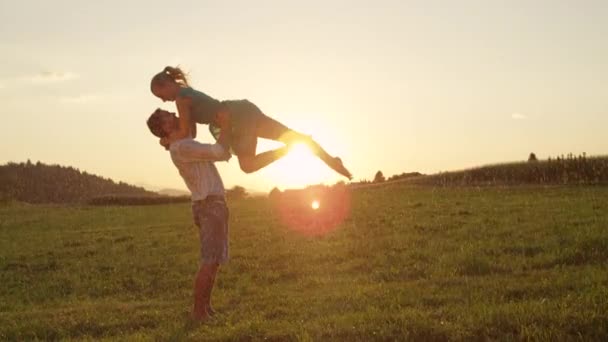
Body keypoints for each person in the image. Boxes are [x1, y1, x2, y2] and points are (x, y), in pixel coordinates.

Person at [150, 66, 352, 179]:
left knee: (247, 165)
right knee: (290, 135)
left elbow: (184, 131)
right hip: (240, 111)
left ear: (167, 84)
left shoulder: (181, 100)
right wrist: (170, 139)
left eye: (160, 94)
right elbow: (190, 135)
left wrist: (166, 140)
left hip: (235, 119)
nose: (162, 100)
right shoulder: (185, 96)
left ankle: (290, 150)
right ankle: (331, 160)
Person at [146, 108, 230, 322]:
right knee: (210, 260)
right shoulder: (183, 147)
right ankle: (198, 313)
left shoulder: (182, 144)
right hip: (209, 205)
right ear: (164, 127)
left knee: (214, 260)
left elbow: (188, 125)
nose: (174, 114)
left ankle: (205, 308)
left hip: (209, 204)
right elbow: (220, 152)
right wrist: (226, 125)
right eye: (168, 115)